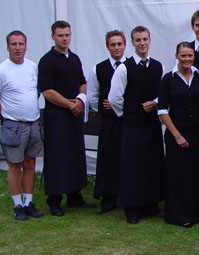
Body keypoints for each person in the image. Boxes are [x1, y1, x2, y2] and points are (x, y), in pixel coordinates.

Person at [0, 30, 43, 220]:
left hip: (33, 122)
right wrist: (5, 116)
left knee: (30, 163)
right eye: (14, 44)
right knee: (15, 166)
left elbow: (36, 92)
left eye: (21, 44)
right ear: (7, 47)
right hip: (14, 126)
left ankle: (28, 202)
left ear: (26, 46)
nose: (18, 48)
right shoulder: (0, 72)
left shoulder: (33, 67)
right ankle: (17, 205)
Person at [109, 26, 164, 224]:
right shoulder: (124, 68)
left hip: (152, 125)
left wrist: (156, 102)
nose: (142, 43)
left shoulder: (158, 66)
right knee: (133, 167)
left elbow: (163, 93)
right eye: (138, 40)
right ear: (132, 43)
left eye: (145, 39)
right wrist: (129, 113)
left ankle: (151, 204)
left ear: (150, 40)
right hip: (132, 125)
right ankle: (132, 208)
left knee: (152, 164)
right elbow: (114, 97)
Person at [38, 20, 94, 217]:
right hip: (57, 116)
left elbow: (82, 82)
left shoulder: (75, 59)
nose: (64, 38)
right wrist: (69, 104)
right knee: (57, 156)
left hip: (74, 115)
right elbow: (47, 91)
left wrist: (80, 100)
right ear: (53, 36)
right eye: (61, 35)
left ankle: (74, 195)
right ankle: (54, 200)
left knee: (75, 154)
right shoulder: (47, 60)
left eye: (67, 35)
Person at [159, 42, 199, 228]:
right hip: (176, 134)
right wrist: (177, 135)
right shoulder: (168, 79)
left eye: (190, 56)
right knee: (177, 176)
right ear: (176, 56)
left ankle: (197, 213)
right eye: (183, 56)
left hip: (198, 134)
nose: (187, 59)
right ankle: (178, 215)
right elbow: (162, 110)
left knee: (195, 174)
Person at [86, 30, 127, 215]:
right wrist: (105, 108)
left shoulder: (131, 66)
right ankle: (108, 198)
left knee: (127, 159)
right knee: (108, 159)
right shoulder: (97, 69)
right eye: (113, 44)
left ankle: (125, 196)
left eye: (119, 44)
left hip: (127, 121)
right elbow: (93, 96)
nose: (116, 48)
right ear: (108, 46)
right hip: (108, 122)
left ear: (125, 45)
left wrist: (120, 106)